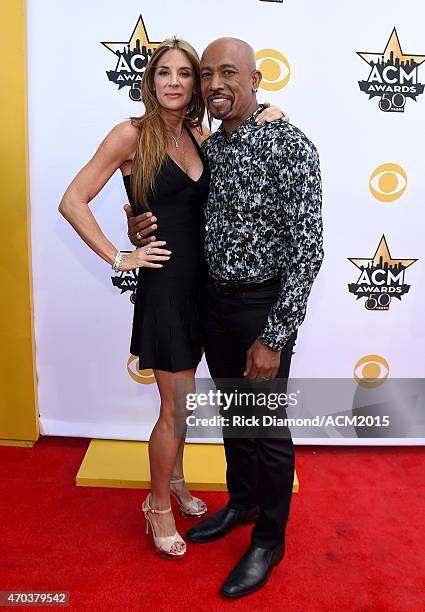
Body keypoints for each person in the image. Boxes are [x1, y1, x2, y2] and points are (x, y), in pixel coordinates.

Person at [58, 37, 286, 561]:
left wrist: (274, 113)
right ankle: (157, 504)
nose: (177, 83)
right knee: (174, 409)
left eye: (187, 74)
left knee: (187, 405)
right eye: (166, 73)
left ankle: (178, 482)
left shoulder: (201, 135)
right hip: (165, 292)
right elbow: (73, 199)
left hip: (206, 289)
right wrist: (120, 254)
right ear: (150, 80)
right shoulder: (129, 135)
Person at [127, 38, 323, 596]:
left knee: (267, 430)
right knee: (238, 421)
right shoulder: (210, 143)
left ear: (257, 79)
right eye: (206, 73)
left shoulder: (288, 144)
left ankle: (268, 539)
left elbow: (308, 249)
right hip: (211, 304)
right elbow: (170, 196)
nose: (214, 83)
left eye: (228, 73)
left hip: (262, 311)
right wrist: (137, 220)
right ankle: (239, 504)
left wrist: (275, 335)